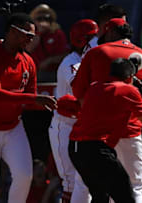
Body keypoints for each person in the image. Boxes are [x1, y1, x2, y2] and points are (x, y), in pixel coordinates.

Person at [72, 18, 142, 203]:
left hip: (96, 137)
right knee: (134, 188)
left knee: (88, 188)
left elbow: (79, 94)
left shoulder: (96, 53)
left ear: (110, 32)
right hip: (131, 132)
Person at [0, 13, 57, 203]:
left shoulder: (28, 62)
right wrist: (35, 98)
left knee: (25, 175)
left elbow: (30, 99)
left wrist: (58, 105)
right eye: (27, 34)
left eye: (33, 36)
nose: (31, 40)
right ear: (11, 32)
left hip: (13, 128)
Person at [48, 19, 98, 203]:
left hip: (83, 128)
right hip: (65, 126)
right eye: (91, 38)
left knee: (86, 182)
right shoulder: (71, 62)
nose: (96, 42)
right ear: (80, 40)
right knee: (70, 183)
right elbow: (81, 87)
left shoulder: (90, 61)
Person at [27, 3, 69, 82]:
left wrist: (49, 60)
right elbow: (28, 50)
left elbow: (63, 55)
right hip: (35, 71)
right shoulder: (31, 33)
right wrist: (39, 33)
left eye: (46, 18)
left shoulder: (57, 33)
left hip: (53, 72)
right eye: (39, 19)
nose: (43, 21)